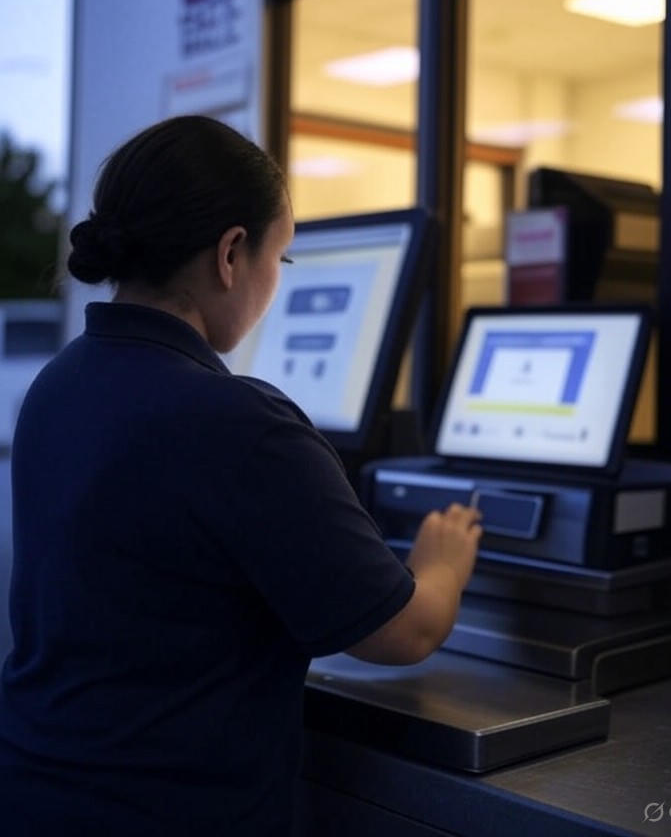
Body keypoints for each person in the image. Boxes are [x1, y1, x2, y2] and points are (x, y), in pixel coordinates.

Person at [0, 116, 482, 836]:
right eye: (279, 258)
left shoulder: (58, 382)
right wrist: (442, 563)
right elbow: (402, 634)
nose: (275, 282)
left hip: (34, 791)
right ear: (230, 254)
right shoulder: (237, 422)